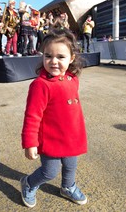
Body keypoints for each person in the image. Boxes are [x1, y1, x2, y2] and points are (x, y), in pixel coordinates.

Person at [20, 28, 88, 208]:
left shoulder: (72, 78)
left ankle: (67, 187)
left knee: (71, 165)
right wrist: (30, 142)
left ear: (72, 58)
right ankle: (29, 183)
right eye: (48, 56)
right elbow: (32, 116)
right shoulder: (40, 85)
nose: (53, 61)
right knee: (49, 172)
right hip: (51, 138)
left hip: (71, 136)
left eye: (61, 57)